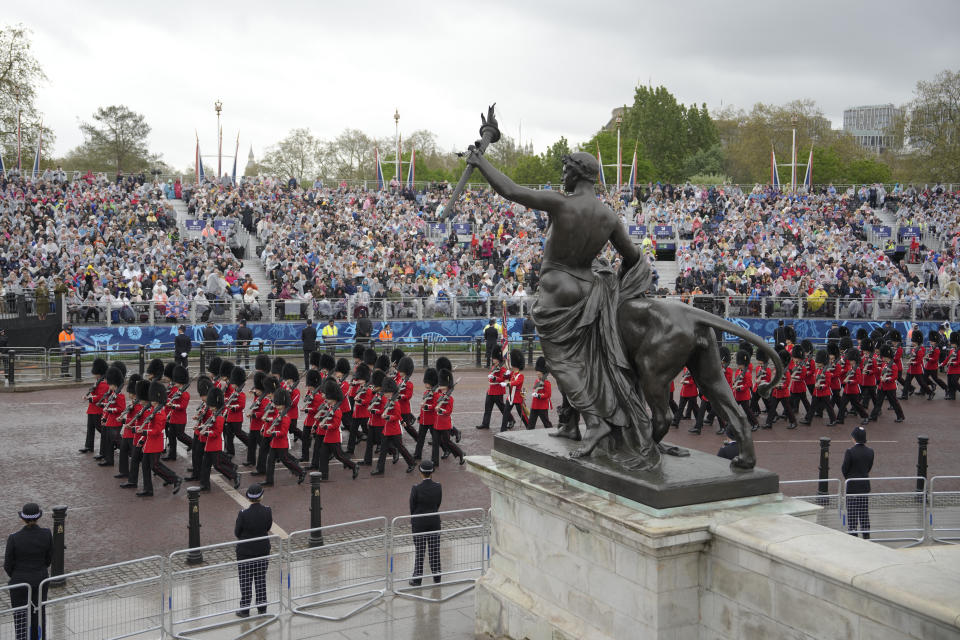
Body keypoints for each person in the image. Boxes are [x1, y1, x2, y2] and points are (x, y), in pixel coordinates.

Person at [4, 503, 52, 640]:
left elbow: (8, 564)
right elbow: (49, 558)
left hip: (19, 582)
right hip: (40, 579)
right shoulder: (46, 534)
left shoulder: (14, 538)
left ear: (23, 519)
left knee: (20, 617)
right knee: (39, 614)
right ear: (38, 517)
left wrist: (17, 575)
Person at [234, 484, 272, 618]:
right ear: (261, 496)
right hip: (262, 550)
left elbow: (237, 532)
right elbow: (267, 527)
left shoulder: (243, 514)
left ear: (248, 498)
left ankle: (245, 609)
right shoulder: (268, 511)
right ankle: (262, 608)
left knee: (245, 580)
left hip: (245, 552)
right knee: (260, 579)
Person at [408, 461, 442, 586]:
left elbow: (412, 507)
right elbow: (437, 503)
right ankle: (437, 576)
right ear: (432, 472)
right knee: (434, 549)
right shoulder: (438, 486)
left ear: (421, 472)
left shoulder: (416, 488)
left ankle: (417, 579)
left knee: (420, 551)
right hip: (434, 520)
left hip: (419, 522)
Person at [842, 426, 874, 539]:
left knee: (852, 513)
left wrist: (850, 477)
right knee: (864, 512)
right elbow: (869, 467)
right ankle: (866, 535)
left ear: (854, 438)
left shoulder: (850, 452)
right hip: (864, 486)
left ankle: (853, 535)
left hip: (852, 487)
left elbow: (844, 469)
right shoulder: (870, 451)